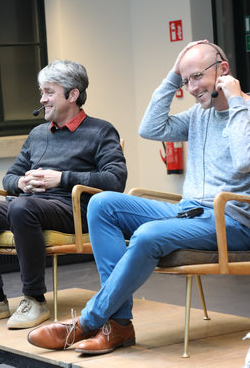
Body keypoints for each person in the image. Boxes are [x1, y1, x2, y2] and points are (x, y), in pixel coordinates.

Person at [27, 40, 250, 354]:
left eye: (197, 76)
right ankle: (119, 324)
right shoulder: (199, 116)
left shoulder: (246, 111)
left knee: (147, 235)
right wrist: (174, 74)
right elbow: (151, 128)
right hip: (190, 212)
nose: (192, 87)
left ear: (224, 70)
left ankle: (89, 322)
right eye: (186, 81)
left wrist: (238, 102)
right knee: (103, 203)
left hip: (232, 222)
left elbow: (244, 162)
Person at [0, 59, 127, 329]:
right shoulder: (37, 134)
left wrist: (61, 178)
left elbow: (115, 180)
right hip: (27, 205)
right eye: (42, 92)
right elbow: (9, 177)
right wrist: (22, 183)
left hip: (71, 210)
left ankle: (34, 299)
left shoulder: (101, 131)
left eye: (49, 92)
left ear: (73, 95)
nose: (42, 99)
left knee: (22, 209)